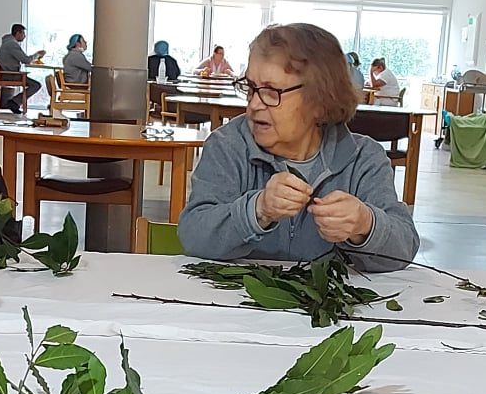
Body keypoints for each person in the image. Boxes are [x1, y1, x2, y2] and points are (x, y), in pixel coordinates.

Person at [179, 23, 419, 273]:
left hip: (327, 307)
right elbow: (194, 237)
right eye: (250, 88)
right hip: (235, 301)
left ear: (320, 101)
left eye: (271, 92)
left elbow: (403, 249)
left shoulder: (364, 159)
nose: (254, 105)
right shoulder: (228, 146)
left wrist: (364, 224)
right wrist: (258, 209)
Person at [0, 23, 46, 114]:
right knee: (36, 85)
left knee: (34, 84)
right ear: (18, 33)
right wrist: (38, 54)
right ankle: (14, 102)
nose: (24, 36)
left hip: (7, 73)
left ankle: (15, 102)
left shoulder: (7, 42)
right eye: (23, 33)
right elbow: (26, 60)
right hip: (10, 75)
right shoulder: (12, 44)